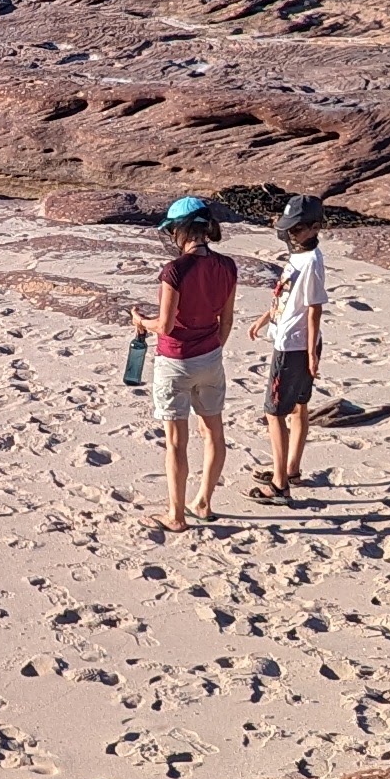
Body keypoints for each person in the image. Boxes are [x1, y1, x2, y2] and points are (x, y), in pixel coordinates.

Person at [128, 196, 236, 531]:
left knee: (176, 441)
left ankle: (175, 515)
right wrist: (212, 349)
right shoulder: (227, 266)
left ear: (181, 230)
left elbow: (166, 324)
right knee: (213, 431)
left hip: (175, 360)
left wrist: (141, 322)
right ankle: (204, 501)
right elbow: (227, 320)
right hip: (210, 357)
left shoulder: (174, 270)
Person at [252, 195, 328, 503]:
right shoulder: (298, 257)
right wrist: (264, 318)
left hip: (294, 346)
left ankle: (280, 484)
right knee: (298, 405)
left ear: (314, 228)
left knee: (274, 412)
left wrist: (310, 352)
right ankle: (291, 468)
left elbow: (314, 308)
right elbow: (286, 297)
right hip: (292, 339)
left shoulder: (312, 261)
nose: (291, 235)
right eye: (289, 229)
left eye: (297, 229)